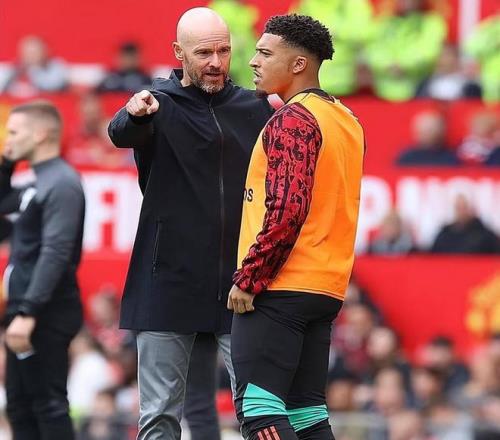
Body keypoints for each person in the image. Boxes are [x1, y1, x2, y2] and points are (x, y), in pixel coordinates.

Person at [107, 7, 273, 440]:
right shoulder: (156, 104)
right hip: (168, 282)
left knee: (261, 413)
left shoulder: (255, 107)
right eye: (203, 53)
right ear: (178, 52)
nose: (216, 62)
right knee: (159, 416)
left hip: (243, 283)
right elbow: (121, 132)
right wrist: (134, 113)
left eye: (223, 51)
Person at [227, 14, 365, 440]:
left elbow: (287, 209)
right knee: (306, 416)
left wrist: (251, 277)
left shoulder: (294, 119)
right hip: (325, 287)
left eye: (265, 53)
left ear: (298, 64)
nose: (253, 61)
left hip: (280, 286)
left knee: (260, 414)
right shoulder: (346, 119)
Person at [0, 101, 85, 439]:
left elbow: (56, 252)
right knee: (20, 406)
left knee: (48, 406)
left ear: (40, 134)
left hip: (44, 313)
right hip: (24, 311)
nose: (7, 140)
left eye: (13, 133)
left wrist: (29, 312)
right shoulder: (36, 182)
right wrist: (6, 165)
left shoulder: (61, 182)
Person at [1, 35, 68, 97]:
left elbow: (54, 86)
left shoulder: (56, 67)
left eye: (34, 52)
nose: (31, 56)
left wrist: (34, 70)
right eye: (27, 52)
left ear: (44, 51)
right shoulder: (13, 70)